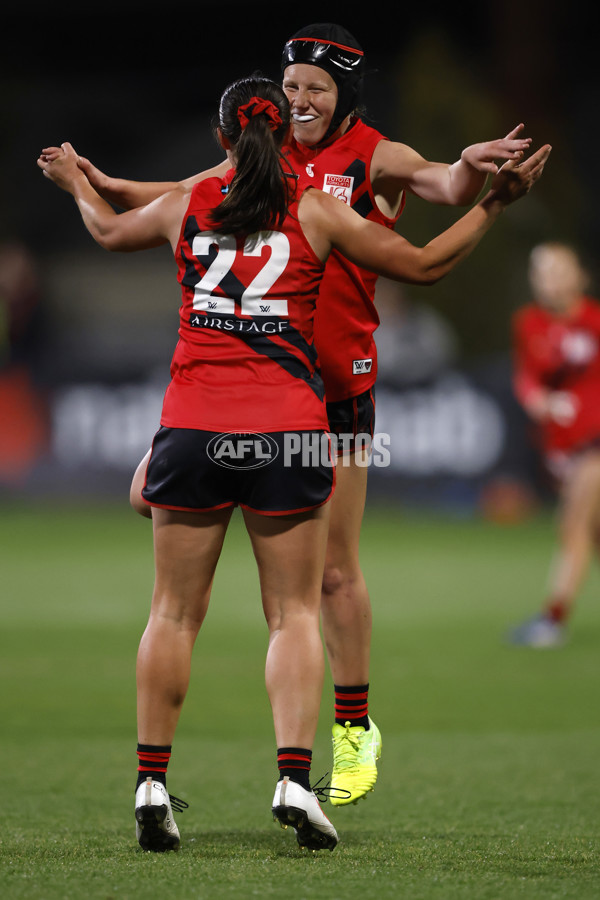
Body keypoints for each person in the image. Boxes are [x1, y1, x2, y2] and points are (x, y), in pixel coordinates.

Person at [38, 72, 548, 851]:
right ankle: (292, 778)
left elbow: (108, 231)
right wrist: (494, 203)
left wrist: (80, 184)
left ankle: (149, 783)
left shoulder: (185, 206)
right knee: (297, 612)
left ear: (221, 143)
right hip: (289, 432)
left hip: (193, 426)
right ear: (282, 138)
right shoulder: (316, 209)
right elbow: (426, 263)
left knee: (172, 614)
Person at [509, 242, 600, 648]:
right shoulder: (529, 323)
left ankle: (552, 619)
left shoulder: (596, 322)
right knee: (593, 533)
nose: (550, 280)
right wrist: (538, 401)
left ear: (581, 276)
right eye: (542, 272)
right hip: (563, 444)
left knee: (573, 525)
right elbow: (526, 378)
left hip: (594, 445)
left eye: (559, 270)